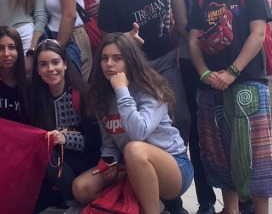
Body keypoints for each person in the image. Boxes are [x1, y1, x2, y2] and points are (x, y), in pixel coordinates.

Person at [97, 0, 190, 214]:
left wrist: (176, 34)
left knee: (181, 115)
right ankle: (142, 171)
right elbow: (106, 40)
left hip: (163, 60)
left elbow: (179, 7)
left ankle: (167, 181)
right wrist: (125, 39)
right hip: (133, 63)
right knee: (135, 131)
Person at [186, 0, 272, 214]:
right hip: (213, 86)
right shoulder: (201, 0)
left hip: (247, 82)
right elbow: (192, 41)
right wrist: (204, 74)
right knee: (219, 153)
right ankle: (231, 209)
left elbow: (258, 34)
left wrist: (232, 72)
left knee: (255, 155)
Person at [169, 0, 247, 214]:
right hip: (193, 62)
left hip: (231, 63)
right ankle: (206, 201)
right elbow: (182, 22)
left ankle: (244, 199)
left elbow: (248, 11)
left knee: (238, 131)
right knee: (200, 134)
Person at [72, 33, 193, 214]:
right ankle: (131, 206)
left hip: (174, 166)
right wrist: (110, 161)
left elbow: (139, 132)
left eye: (117, 58)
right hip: (129, 166)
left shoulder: (151, 89)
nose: (109, 64)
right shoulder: (101, 96)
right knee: (81, 188)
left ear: (130, 61)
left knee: (134, 148)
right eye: (104, 59)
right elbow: (109, 143)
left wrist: (121, 90)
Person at [29, 39, 100, 214]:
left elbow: (96, 140)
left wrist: (65, 138)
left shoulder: (82, 94)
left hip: (86, 160)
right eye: (44, 65)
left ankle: (75, 205)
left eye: (55, 62)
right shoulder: (36, 98)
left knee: (48, 157)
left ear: (65, 64)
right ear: (37, 70)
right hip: (57, 164)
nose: (51, 69)